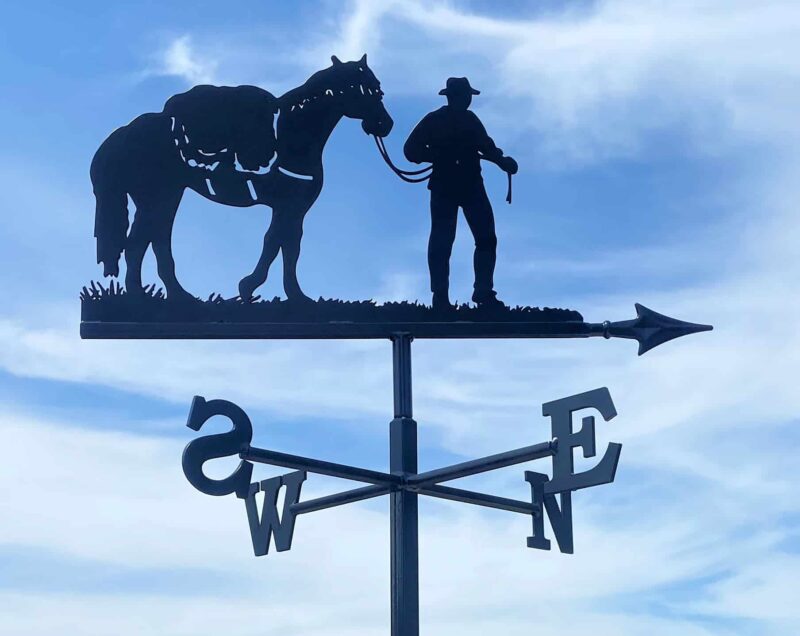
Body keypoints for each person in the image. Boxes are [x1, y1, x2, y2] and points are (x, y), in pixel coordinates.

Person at [404, 77, 518, 310]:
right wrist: (438, 154)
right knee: (442, 241)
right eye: (466, 96)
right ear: (457, 96)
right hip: (447, 186)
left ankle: (483, 292)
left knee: (485, 238)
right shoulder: (435, 120)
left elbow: (486, 146)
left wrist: (502, 162)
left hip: (470, 185)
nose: (468, 100)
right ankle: (441, 297)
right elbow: (411, 150)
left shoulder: (469, 120)